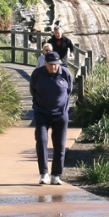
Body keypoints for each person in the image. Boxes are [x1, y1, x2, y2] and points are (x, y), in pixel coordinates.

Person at [29, 51, 73, 185]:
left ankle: (56, 175)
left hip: (60, 115)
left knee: (60, 145)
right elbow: (33, 90)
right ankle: (44, 174)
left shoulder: (66, 73)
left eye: (56, 64)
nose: (54, 67)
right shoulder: (37, 74)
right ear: (45, 63)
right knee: (41, 141)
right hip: (42, 113)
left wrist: (62, 107)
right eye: (50, 64)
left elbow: (69, 90)